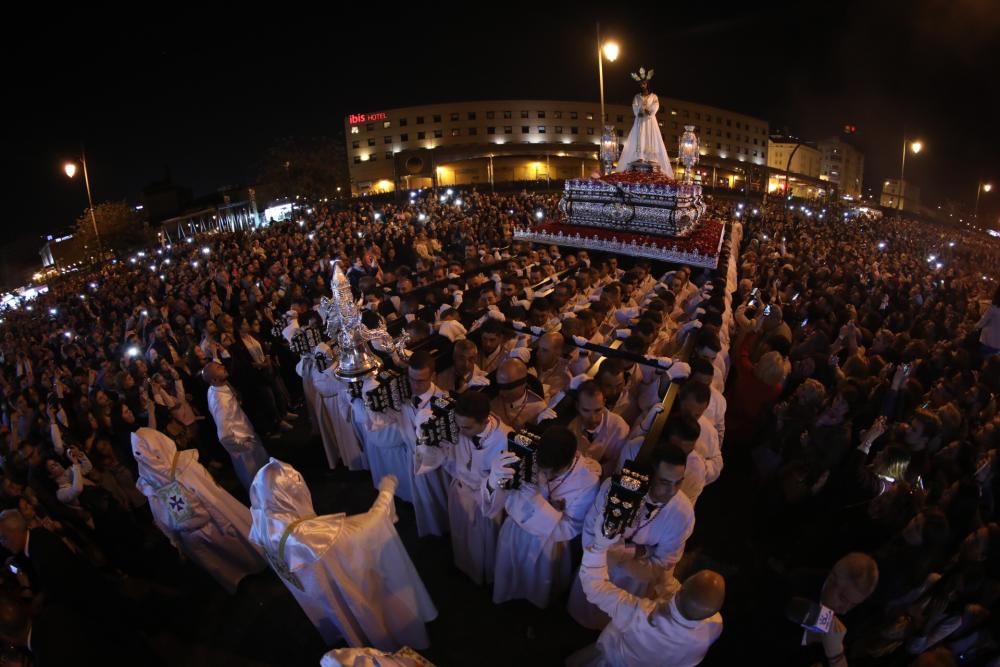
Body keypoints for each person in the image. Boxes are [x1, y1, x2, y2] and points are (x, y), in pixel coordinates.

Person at [249, 459, 437, 651]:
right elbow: (369, 526)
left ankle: (349, 632)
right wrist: (386, 493)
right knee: (359, 605)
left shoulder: (262, 520)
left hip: (312, 588)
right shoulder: (311, 538)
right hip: (339, 582)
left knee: (337, 611)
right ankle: (381, 639)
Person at [568, 443, 695, 629]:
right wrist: (639, 551)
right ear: (650, 476)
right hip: (598, 565)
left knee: (612, 623)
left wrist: (621, 555)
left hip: (633, 581)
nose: (672, 491)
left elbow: (664, 562)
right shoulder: (614, 488)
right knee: (583, 609)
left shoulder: (683, 512)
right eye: (665, 482)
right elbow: (591, 528)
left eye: (678, 482)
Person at [130, 427, 266, 594]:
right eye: (139, 454)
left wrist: (223, 521)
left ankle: (256, 565)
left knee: (238, 548)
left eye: (147, 450)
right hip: (190, 534)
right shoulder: (149, 482)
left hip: (212, 523)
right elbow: (159, 514)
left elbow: (210, 495)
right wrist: (175, 539)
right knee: (222, 563)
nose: (146, 457)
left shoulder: (182, 465)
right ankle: (241, 581)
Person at [568, 528, 724, 667]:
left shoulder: (639, 614)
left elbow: (595, 588)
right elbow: (673, 592)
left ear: (681, 590)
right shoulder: (715, 626)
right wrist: (660, 564)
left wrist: (597, 549)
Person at [488, 425, 601, 608]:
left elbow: (571, 526)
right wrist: (551, 509)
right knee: (509, 572)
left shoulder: (586, 481)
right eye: (542, 469)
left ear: (569, 462)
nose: (545, 476)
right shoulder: (532, 455)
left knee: (538, 584)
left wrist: (537, 502)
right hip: (515, 529)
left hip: (547, 542)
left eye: (552, 473)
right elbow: (511, 489)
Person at [415, 391, 510, 584]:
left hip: (483, 501)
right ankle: (463, 567)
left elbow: (502, 486)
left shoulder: (504, 440)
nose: (460, 431)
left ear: (485, 419)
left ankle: (482, 576)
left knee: (482, 543)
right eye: (458, 425)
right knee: (460, 536)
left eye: (466, 427)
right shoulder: (458, 427)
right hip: (459, 489)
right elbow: (442, 456)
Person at [203, 361, 269, 492]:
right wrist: (244, 445)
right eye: (218, 367)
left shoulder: (216, 386)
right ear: (214, 378)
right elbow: (224, 435)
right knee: (258, 479)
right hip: (244, 443)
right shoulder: (221, 402)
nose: (222, 366)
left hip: (246, 436)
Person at [615, 66, 674, 177]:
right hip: (640, 121)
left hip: (650, 121)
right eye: (641, 84)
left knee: (650, 137)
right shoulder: (637, 97)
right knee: (639, 136)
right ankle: (640, 155)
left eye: (645, 83)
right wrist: (639, 111)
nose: (643, 85)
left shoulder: (654, 96)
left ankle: (650, 156)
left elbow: (656, 105)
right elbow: (634, 106)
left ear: (647, 84)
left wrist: (649, 111)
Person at [567, 381, 630, 479]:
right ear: (577, 406)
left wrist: (602, 469)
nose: (593, 418)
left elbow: (621, 462)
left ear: (604, 403)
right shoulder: (570, 426)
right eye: (586, 410)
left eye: (597, 410)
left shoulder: (619, 427)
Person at [490, 358, 553, 431]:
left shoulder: (538, 409)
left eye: (508, 387)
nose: (502, 392)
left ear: (523, 384)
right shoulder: (492, 401)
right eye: (500, 386)